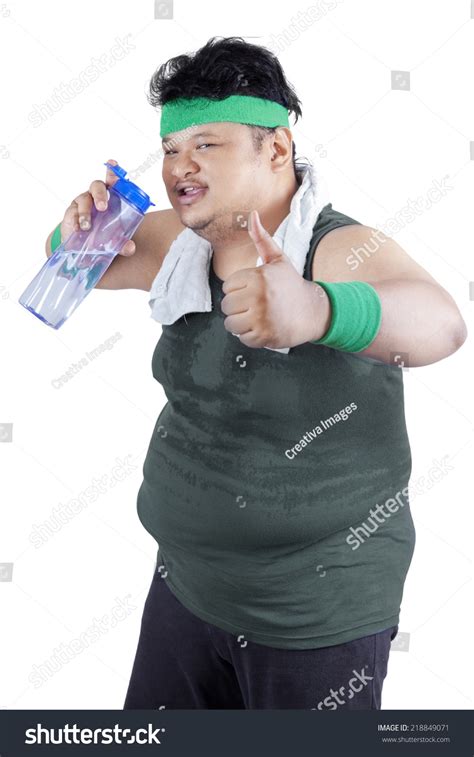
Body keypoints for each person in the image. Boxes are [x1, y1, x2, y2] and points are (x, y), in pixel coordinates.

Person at [45, 37, 467, 710]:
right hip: (186, 588)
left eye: (206, 145)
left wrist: (317, 308)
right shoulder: (184, 244)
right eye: (171, 148)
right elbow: (82, 267)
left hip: (312, 616)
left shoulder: (337, 249)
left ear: (275, 148)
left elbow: (442, 324)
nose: (179, 166)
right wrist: (76, 234)